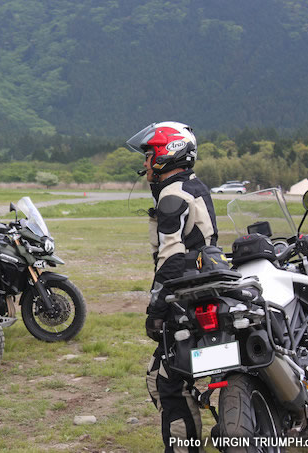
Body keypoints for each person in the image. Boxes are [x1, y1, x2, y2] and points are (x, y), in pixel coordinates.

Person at [127, 122, 218, 452]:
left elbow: (171, 258)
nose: (146, 164)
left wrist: (156, 311)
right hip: (203, 286)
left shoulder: (172, 195)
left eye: (149, 155)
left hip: (186, 297)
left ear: (168, 153)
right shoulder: (192, 185)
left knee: (163, 379)